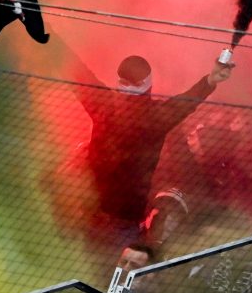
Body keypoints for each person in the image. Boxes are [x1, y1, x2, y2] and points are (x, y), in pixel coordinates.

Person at [70, 52, 234, 239]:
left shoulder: (108, 105)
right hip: (111, 219)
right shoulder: (154, 117)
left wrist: (45, 36)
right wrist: (210, 81)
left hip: (98, 215)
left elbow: (77, 72)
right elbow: (185, 103)